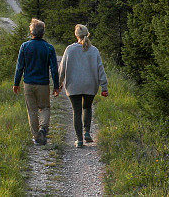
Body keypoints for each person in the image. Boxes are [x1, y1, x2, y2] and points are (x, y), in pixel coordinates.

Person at [59, 24, 108, 148]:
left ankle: (79, 140)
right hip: (90, 85)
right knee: (87, 107)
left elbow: (62, 68)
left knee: (77, 112)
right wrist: (104, 87)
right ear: (87, 34)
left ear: (76, 35)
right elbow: (100, 69)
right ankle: (87, 132)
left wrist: (58, 84)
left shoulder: (69, 49)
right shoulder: (94, 50)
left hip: (73, 85)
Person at [13, 18, 60, 146]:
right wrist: (56, 86)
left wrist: (16, 83)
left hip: (28, 83)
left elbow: (20, 67)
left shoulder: (25, 46)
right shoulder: (49, 48)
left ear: (31, 32)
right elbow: (54, 68)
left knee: (32, 110)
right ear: (43, 32)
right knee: (45, 107)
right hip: (43, 84)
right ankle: (43, 129)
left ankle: (36, 137)